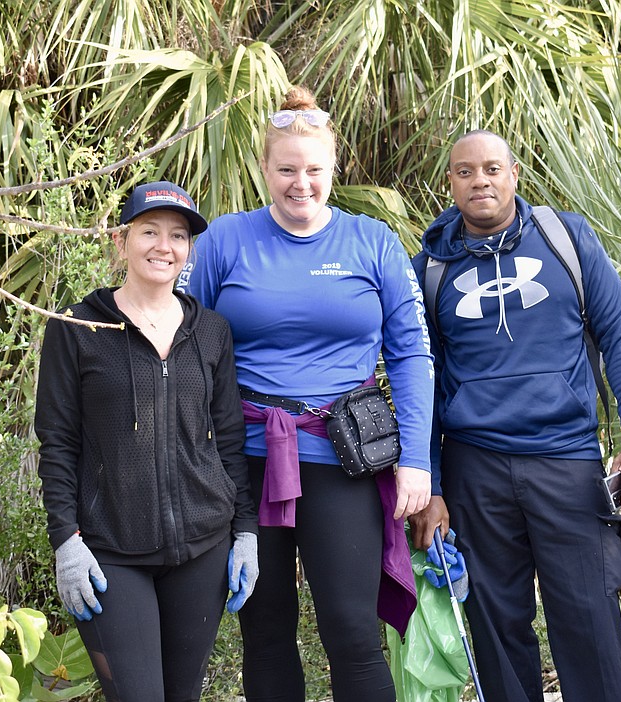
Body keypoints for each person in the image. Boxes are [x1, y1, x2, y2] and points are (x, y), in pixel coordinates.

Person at [177, 86, 434, 702]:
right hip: (245, 459)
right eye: (286, 169)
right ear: (265, 168)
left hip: (343, 458)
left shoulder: (371, 242)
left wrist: (417, 460)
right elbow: (181, 343)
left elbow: (411, 355)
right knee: (264, 630)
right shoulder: (224, 241)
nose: (300, 183)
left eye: (313, 170)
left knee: (350, 629)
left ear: (332, 169)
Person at [409, 130, 621, 702]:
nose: (481, 181)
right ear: (451, 183)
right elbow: (422, 379)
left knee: (589, 616)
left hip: (566, 460)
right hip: (475, 468)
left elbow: (618, 332)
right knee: (496, 625)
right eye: (465, 172)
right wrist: (434, 489)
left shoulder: (565, 237)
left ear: (514, 173)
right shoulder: (431, 269)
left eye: (492, 168)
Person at [34, 181, 258, 702]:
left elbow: (228, 439)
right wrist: (66, 541)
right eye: (149, 231)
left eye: (178, 236)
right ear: (121, 240)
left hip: (202, 546)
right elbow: (58, 442)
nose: (164, 246)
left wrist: (244, 530)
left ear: (189, 251)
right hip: (110, 549)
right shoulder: (76, 327)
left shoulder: (211, 332)